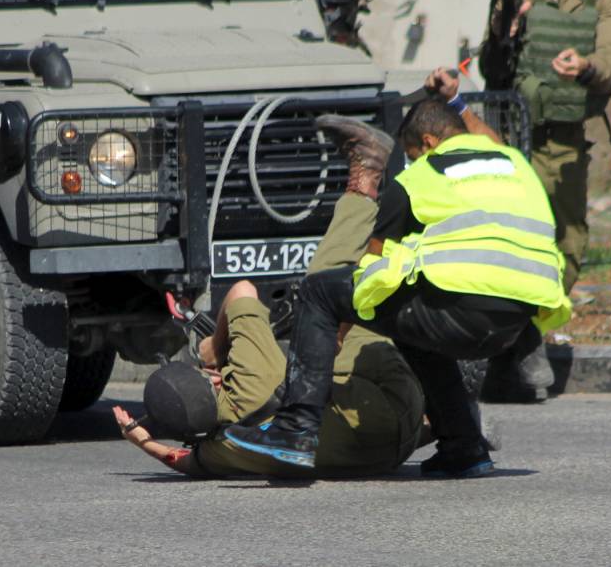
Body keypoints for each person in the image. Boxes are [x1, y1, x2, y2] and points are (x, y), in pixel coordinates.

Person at [224, 97, 572, 478]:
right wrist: (459, 102)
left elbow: (371, 269)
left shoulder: (422, 177)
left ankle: (295, 432)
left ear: (428, 142)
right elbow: (483, 138)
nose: (411, 162)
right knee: (415, 327)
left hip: (464, 307)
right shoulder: (513, 163)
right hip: (520, 319)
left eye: (412, 154)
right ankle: (464, 447)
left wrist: (336, 330)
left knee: (320, 292)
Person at [112, 188, 426, 479]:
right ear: (213, 379)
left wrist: (144, 442)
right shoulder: (248, 377)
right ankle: (363, 192)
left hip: (391, 453)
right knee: (326, 289)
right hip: (392, 401)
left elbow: (177, 458)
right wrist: (215, 348)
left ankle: (446, 416)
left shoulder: (223, 449)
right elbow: (242, 290)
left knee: (334, 376)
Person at [478, 0, 611, 402]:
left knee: (568, 244)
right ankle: (518, 343)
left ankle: (526, 333)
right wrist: (505, 26)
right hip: (512, 137)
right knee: (510, 241)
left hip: (565, 140)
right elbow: (491, 68)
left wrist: (585, 68)